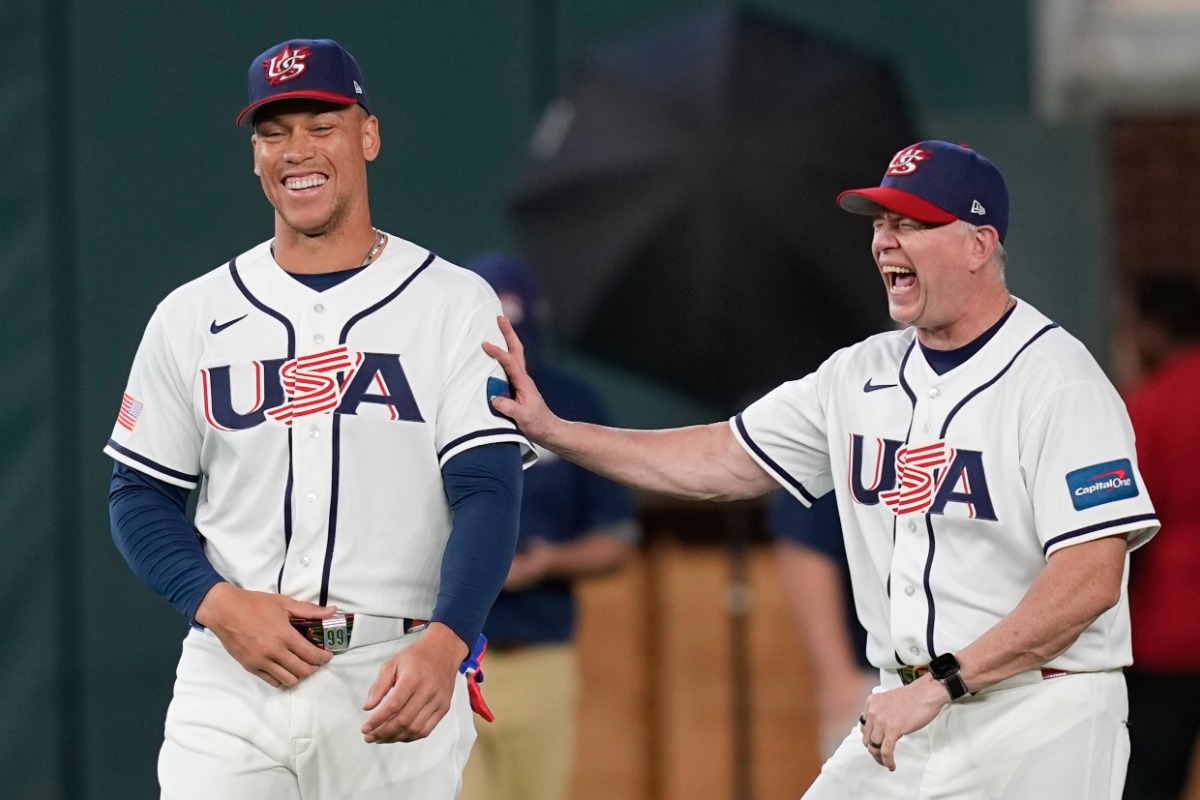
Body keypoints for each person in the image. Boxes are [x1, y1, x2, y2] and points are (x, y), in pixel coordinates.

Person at [484, 140, 1160, 799]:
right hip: (907, 707)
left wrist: (942, 683)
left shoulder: (1060, 382)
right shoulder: (858, 374)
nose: (885, 241)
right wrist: (559, 433)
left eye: (911, 224)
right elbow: (720, 458)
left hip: (1040, 714)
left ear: (979, 245)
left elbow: (1088, 579)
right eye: (881, 223)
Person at [104, 38, 535, 799]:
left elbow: (487, 492)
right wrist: (217, 603)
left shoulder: (452, 301)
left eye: (321, 124)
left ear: (367, 135)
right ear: (255, 155)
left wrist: (448, 640)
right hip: (231, 670)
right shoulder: (191, 314)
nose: (295, 150)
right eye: (274, 132)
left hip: (392, 668)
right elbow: (138, 495)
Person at [457, 252, 640, 800]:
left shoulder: (572, 403)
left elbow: (617, 538)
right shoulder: (434, 396)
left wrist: (544, 564)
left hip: (538, 652)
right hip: (447, 651)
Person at [1119, 273, 1200, 800]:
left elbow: (1125, 533)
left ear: (1154, 329)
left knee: (1147, 782)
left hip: (1165, 636)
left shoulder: (1146, 406)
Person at [768, 491, 875, 759]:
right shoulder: (843, 450)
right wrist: (839, 681)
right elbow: (805, 541)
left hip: (971, 676)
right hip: (878, 678)